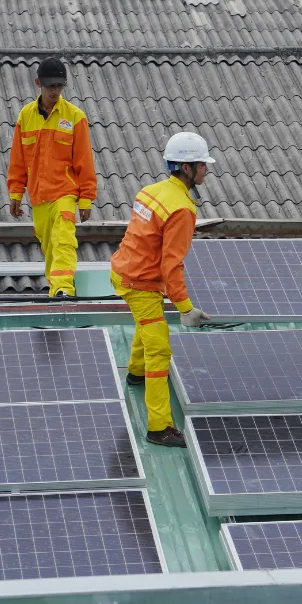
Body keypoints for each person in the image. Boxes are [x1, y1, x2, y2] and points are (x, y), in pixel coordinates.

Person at [110, 132, 214, 447]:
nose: (206, 170)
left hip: (124, 269)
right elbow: (172, 265)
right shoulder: (182, 209)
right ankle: (159, 427)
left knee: (148, 323)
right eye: (202, 165)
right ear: (186, 167)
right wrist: (185, 308)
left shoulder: (150, 192)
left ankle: (135, 374)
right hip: (139, 282)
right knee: (159, 348)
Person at [7, 57, 97, 297]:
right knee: (50, 247)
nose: (55, 91)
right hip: (39, 198)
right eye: (50, 86)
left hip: (65, 193)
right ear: (38, 83)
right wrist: (16, 193)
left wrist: (86, 199)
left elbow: (84, 161)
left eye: (59, 86)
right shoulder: (26, 116)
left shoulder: (75, 117)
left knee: (64, 240)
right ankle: (55, 292)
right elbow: (18, 160)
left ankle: (64, 289)